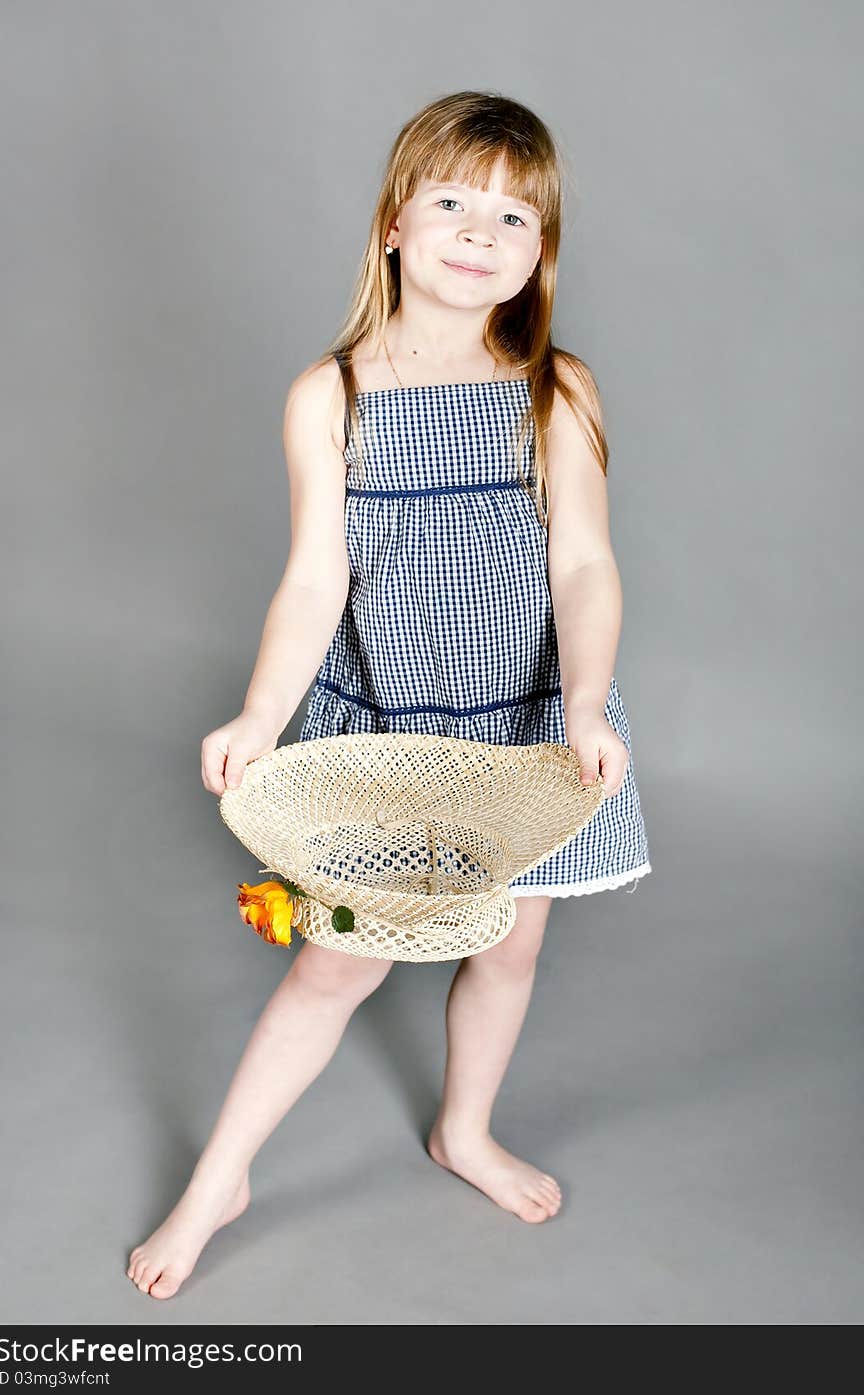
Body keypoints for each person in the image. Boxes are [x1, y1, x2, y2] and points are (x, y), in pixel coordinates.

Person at [127, 89, 651, 1300]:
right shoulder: (333, 397)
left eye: (516, 216)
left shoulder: (554, 390)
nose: (482, 232)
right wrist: (260, 715)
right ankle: (221, 1181)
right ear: (393, 227)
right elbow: (315, 578)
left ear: (538, 256)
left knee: (510, 950)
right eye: (455, 202)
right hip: (385, 730)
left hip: (526, 724)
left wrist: (583, 704)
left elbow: (582, 561)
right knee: (330, 963)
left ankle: (462, 1129)